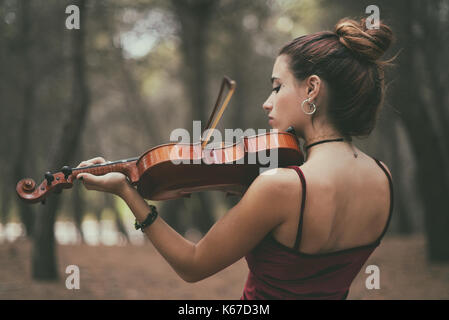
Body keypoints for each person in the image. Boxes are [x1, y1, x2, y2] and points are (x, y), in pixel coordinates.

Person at [76, 17, 395, 300]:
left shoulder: (282, 187)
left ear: (312, 88)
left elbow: (192, 264)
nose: (267, 103)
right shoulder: (384, 178)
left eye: (277, 87)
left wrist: (126, 192)